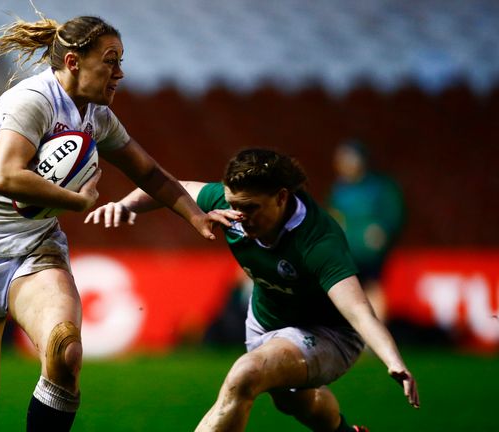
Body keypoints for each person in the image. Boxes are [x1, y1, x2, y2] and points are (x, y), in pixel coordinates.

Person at [0, 13, 228, 432]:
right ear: (73, 62)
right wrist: (76, 201)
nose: (119, 73)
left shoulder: (96, 116)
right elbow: (6, 176)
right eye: (110, 61)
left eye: (120, 62)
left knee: (66, 353)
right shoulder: (32, 101)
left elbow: (149, 173)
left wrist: (197, 217)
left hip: (34, 249)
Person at [85, 148, 419, 431]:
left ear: (282, 198)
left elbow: (358, 309)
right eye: (234, 204)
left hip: (327, 334)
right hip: (265, 324)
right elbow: (170, 186)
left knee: (245, 374)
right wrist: (125, 206)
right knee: (295, 402)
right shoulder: (234, 203)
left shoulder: (317, 241)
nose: (240, 216)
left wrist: (393, 361)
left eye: (250, 208)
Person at [328, 139, 406, 322]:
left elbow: (394, 213)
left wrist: (384, 230)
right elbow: (333, 216)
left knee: (373, 287)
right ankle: (354, 331)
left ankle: (377, 329)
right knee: (349, 290)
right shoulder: (339, 190)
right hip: (347, 250)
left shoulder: (380, 187)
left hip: (370, 252)